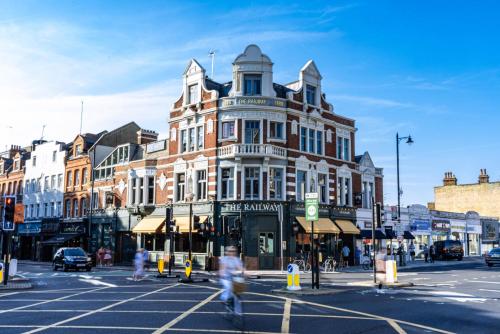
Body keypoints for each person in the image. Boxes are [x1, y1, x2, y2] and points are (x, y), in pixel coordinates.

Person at [219, 246, 244, 315]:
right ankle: (224, 299)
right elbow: (222, 268)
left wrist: (246, 273)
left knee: (237, 294)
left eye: (233, 251)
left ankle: (238, 312)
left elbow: (240, 268)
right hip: (225, 277)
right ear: (227, 252)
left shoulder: (237, 260)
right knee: (229, 287)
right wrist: (223, 274)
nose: (232, 253)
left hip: (234, 277)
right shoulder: (224, 259)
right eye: (230, 251)